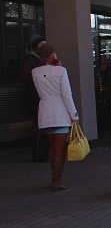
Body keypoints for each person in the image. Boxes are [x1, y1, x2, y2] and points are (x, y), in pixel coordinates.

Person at [31, 45, 79, 190]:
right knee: (59, 148)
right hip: (60, 111)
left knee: (52, 147)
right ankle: (56, 181)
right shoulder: (61, 71)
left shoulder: (35, 72)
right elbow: (66, 95)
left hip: (44, 110)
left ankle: (55, 178)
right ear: (53, 54)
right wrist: (74, 114)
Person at [19, 33, 49, 162]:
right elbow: (25, 78)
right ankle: (39, 154)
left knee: (44, 124)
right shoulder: (30, 59)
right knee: (39, 125)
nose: (44, 47)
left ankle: (43, 153)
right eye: (41, 45)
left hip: (41, 96)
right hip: (36, 96)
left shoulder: (39, 59)